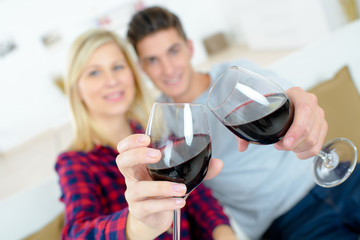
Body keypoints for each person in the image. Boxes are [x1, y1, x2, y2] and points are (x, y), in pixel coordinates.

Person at [116, 6, 360, 240]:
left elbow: (292, 100)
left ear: (190, 48)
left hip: (336, 174)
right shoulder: (160, 125)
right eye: (153, 60)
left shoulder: (235, 75)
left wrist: (304, 109)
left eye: (173, 51)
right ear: (143, 69)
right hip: (288, 220)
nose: (168, 68)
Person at [55, 28, 238, 239]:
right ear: (77, 89)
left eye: (117, 67)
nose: (112, 80)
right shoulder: (74, 162)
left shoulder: (156, 134)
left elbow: (199, 200)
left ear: (132, 74)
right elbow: (76, 233)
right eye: (94, 72)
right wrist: (137, 227)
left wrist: (224, 233)